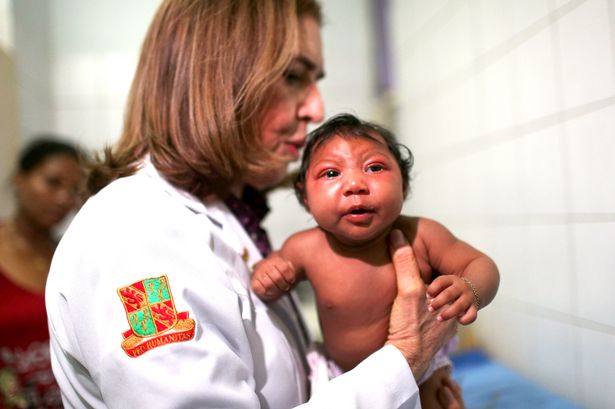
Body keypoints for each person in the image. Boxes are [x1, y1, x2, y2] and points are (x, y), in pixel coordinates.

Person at [45, 1, 462, 408]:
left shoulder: (225, 216)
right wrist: (404, 358)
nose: (316, 108)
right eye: (294, 76)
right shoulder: (132, 237)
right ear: (213, 78)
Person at [251, 113, 500, 408]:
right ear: (305, 197)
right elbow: (264, 280)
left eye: (375, 167)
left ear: (404, 187)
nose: (355, 184)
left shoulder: (421, 235)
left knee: (437, 400)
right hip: (340, 375)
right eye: (331, 173)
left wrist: (469, 288)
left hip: (422, 370)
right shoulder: (304, 248)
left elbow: (482, 265)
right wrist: (267, 276)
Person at [0, 137, 84, 408]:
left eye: (75, 190)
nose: (64, 198)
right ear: (20, 180)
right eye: (53, 182)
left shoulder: (71, 256)